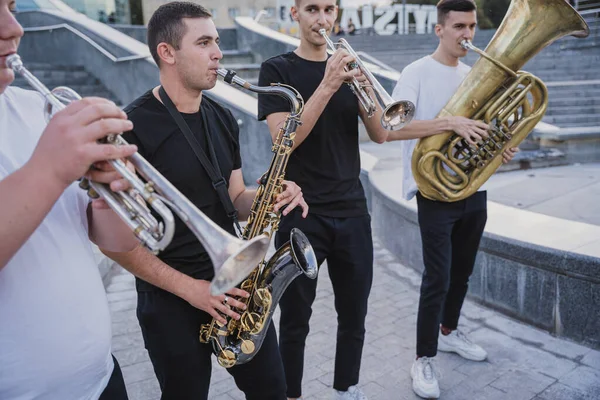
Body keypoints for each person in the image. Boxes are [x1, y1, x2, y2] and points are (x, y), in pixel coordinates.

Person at [101, 3, 308, 400]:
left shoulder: (222, 117)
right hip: (171, 299)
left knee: (273, 391)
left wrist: (269, 193)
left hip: (236, 286)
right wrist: (193, 290)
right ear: (168, 52)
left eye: (216, 40)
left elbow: (234, 198)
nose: (219, 52)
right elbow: (115, 244)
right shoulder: (132, 129)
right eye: (205, 42)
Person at [0, 0, 140, 398]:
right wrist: (49, 169)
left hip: (102, 380)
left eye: (11, 5)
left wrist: (114, 193)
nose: (14, 28)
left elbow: (112, 242)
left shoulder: (39, 109)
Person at [257, 1, 390, 399]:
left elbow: (381, 134)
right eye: (312, 8)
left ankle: (346, 388)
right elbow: (285, 140)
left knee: (354, 315)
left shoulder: (347, 69)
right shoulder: (277, 70)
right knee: (295, 318)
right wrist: (328, 84)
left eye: (329, 9)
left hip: (351, 210)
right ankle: (291, 393)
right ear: (294, 13)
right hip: (300, 213)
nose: (322, 19)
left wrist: (364, 88)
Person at [386, 1, 518, 398]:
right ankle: (423, 359)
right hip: (435, 192)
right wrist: (449, 122)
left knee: (462, 272)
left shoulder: (474, 73)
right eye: (459, 26)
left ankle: (450, 330)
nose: (468, 34)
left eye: (472, 26)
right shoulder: (416, 73)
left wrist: (499, 147)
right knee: (437, 277)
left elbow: (483, 131)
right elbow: (390, 128)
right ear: (439, 29)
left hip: (473, 188)